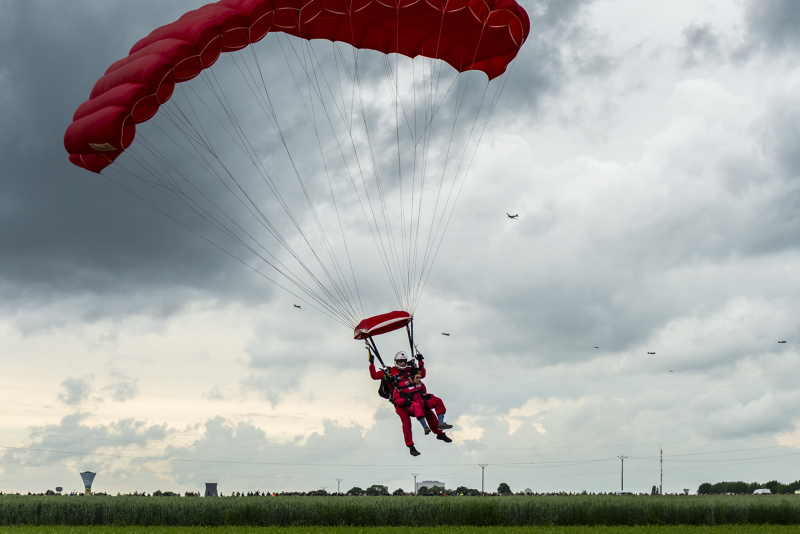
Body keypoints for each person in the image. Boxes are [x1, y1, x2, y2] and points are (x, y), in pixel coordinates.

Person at [393, 369, 452, 444]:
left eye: (420, 378)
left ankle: (441, 424)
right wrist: (405, 401)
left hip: (422, 403)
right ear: (411, 377)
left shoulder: (420, 384)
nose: (419, 379)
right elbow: (396, 399)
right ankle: (425, 427)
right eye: (417, 378)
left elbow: (423, 393)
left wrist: (429, 396)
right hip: (410, 407)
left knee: (437, 401)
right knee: (416, 406)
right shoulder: (401, 386)